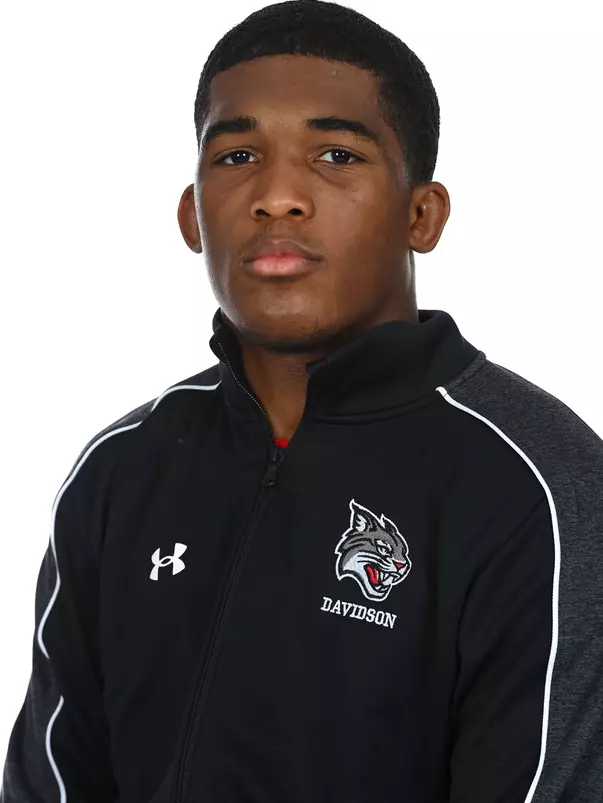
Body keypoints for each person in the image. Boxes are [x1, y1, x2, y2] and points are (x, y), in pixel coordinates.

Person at [3, 0, 603, 800]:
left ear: (420, 214)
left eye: (334, 154)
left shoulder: (537, 482)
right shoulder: (122, 469)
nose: (277, 195)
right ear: (191, 214)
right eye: (238, 154)